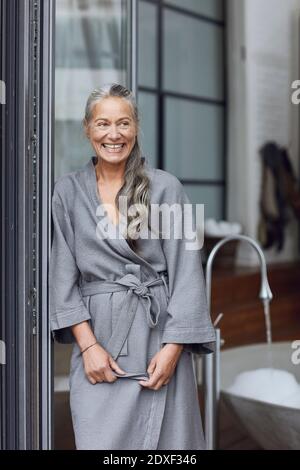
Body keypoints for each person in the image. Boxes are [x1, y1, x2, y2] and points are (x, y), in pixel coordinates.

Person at [49, 83, 216, 450]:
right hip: (99, 342)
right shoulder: (67, 192)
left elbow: (189, 271)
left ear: (136, 128)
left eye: (123, 123)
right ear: (88, 129)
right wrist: (89, 347)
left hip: (159, 341)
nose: (114, 134)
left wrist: (173, 349)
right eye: (103, 124)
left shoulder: (166, 188)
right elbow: (61, 277)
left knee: (169, 446)